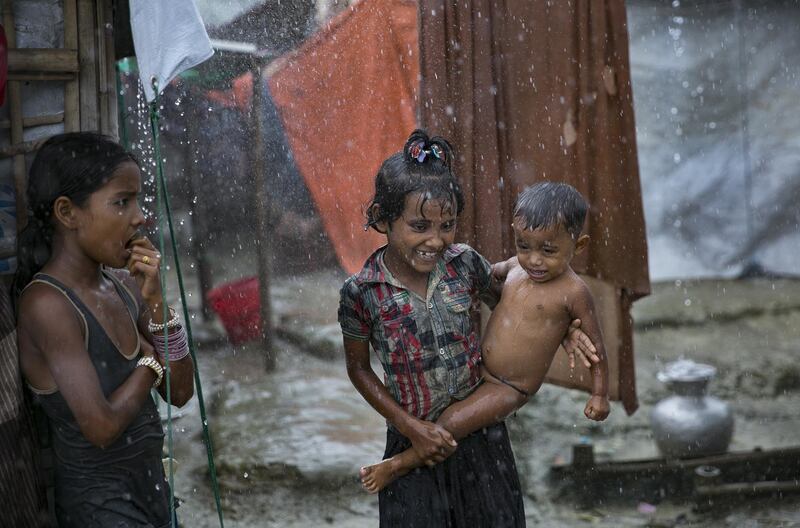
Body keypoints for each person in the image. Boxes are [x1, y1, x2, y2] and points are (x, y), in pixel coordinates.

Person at [338, 130, 599, 527]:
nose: (436, 240)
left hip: (481, 437)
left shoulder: (464, 265)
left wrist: (561, 328)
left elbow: (517, 306)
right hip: (410, 440)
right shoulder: (362, 292)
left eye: (447, 225)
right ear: (384, 220)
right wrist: (411, 426)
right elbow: (358, 369)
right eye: (419, 225)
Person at [14, 132, 194, 528]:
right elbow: (101, 427)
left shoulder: (123, 285)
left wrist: (158, 302)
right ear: (67, 213)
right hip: (100, 509)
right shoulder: (48, 305)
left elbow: (180, 393)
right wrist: (151, 363)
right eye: (121, 202)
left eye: (137, 200)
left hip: (153, 496)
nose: (139, 216)